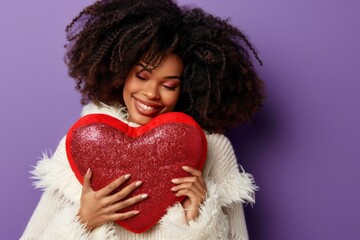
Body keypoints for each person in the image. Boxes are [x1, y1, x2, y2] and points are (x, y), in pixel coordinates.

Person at [21, 0, 264, 239]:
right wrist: (83, 219)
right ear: (121, 70)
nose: (151, 94)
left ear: (187, 87)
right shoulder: (82, 142)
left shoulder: (212, 148)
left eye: (169, 85)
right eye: (142, 75)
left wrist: (200, 219)